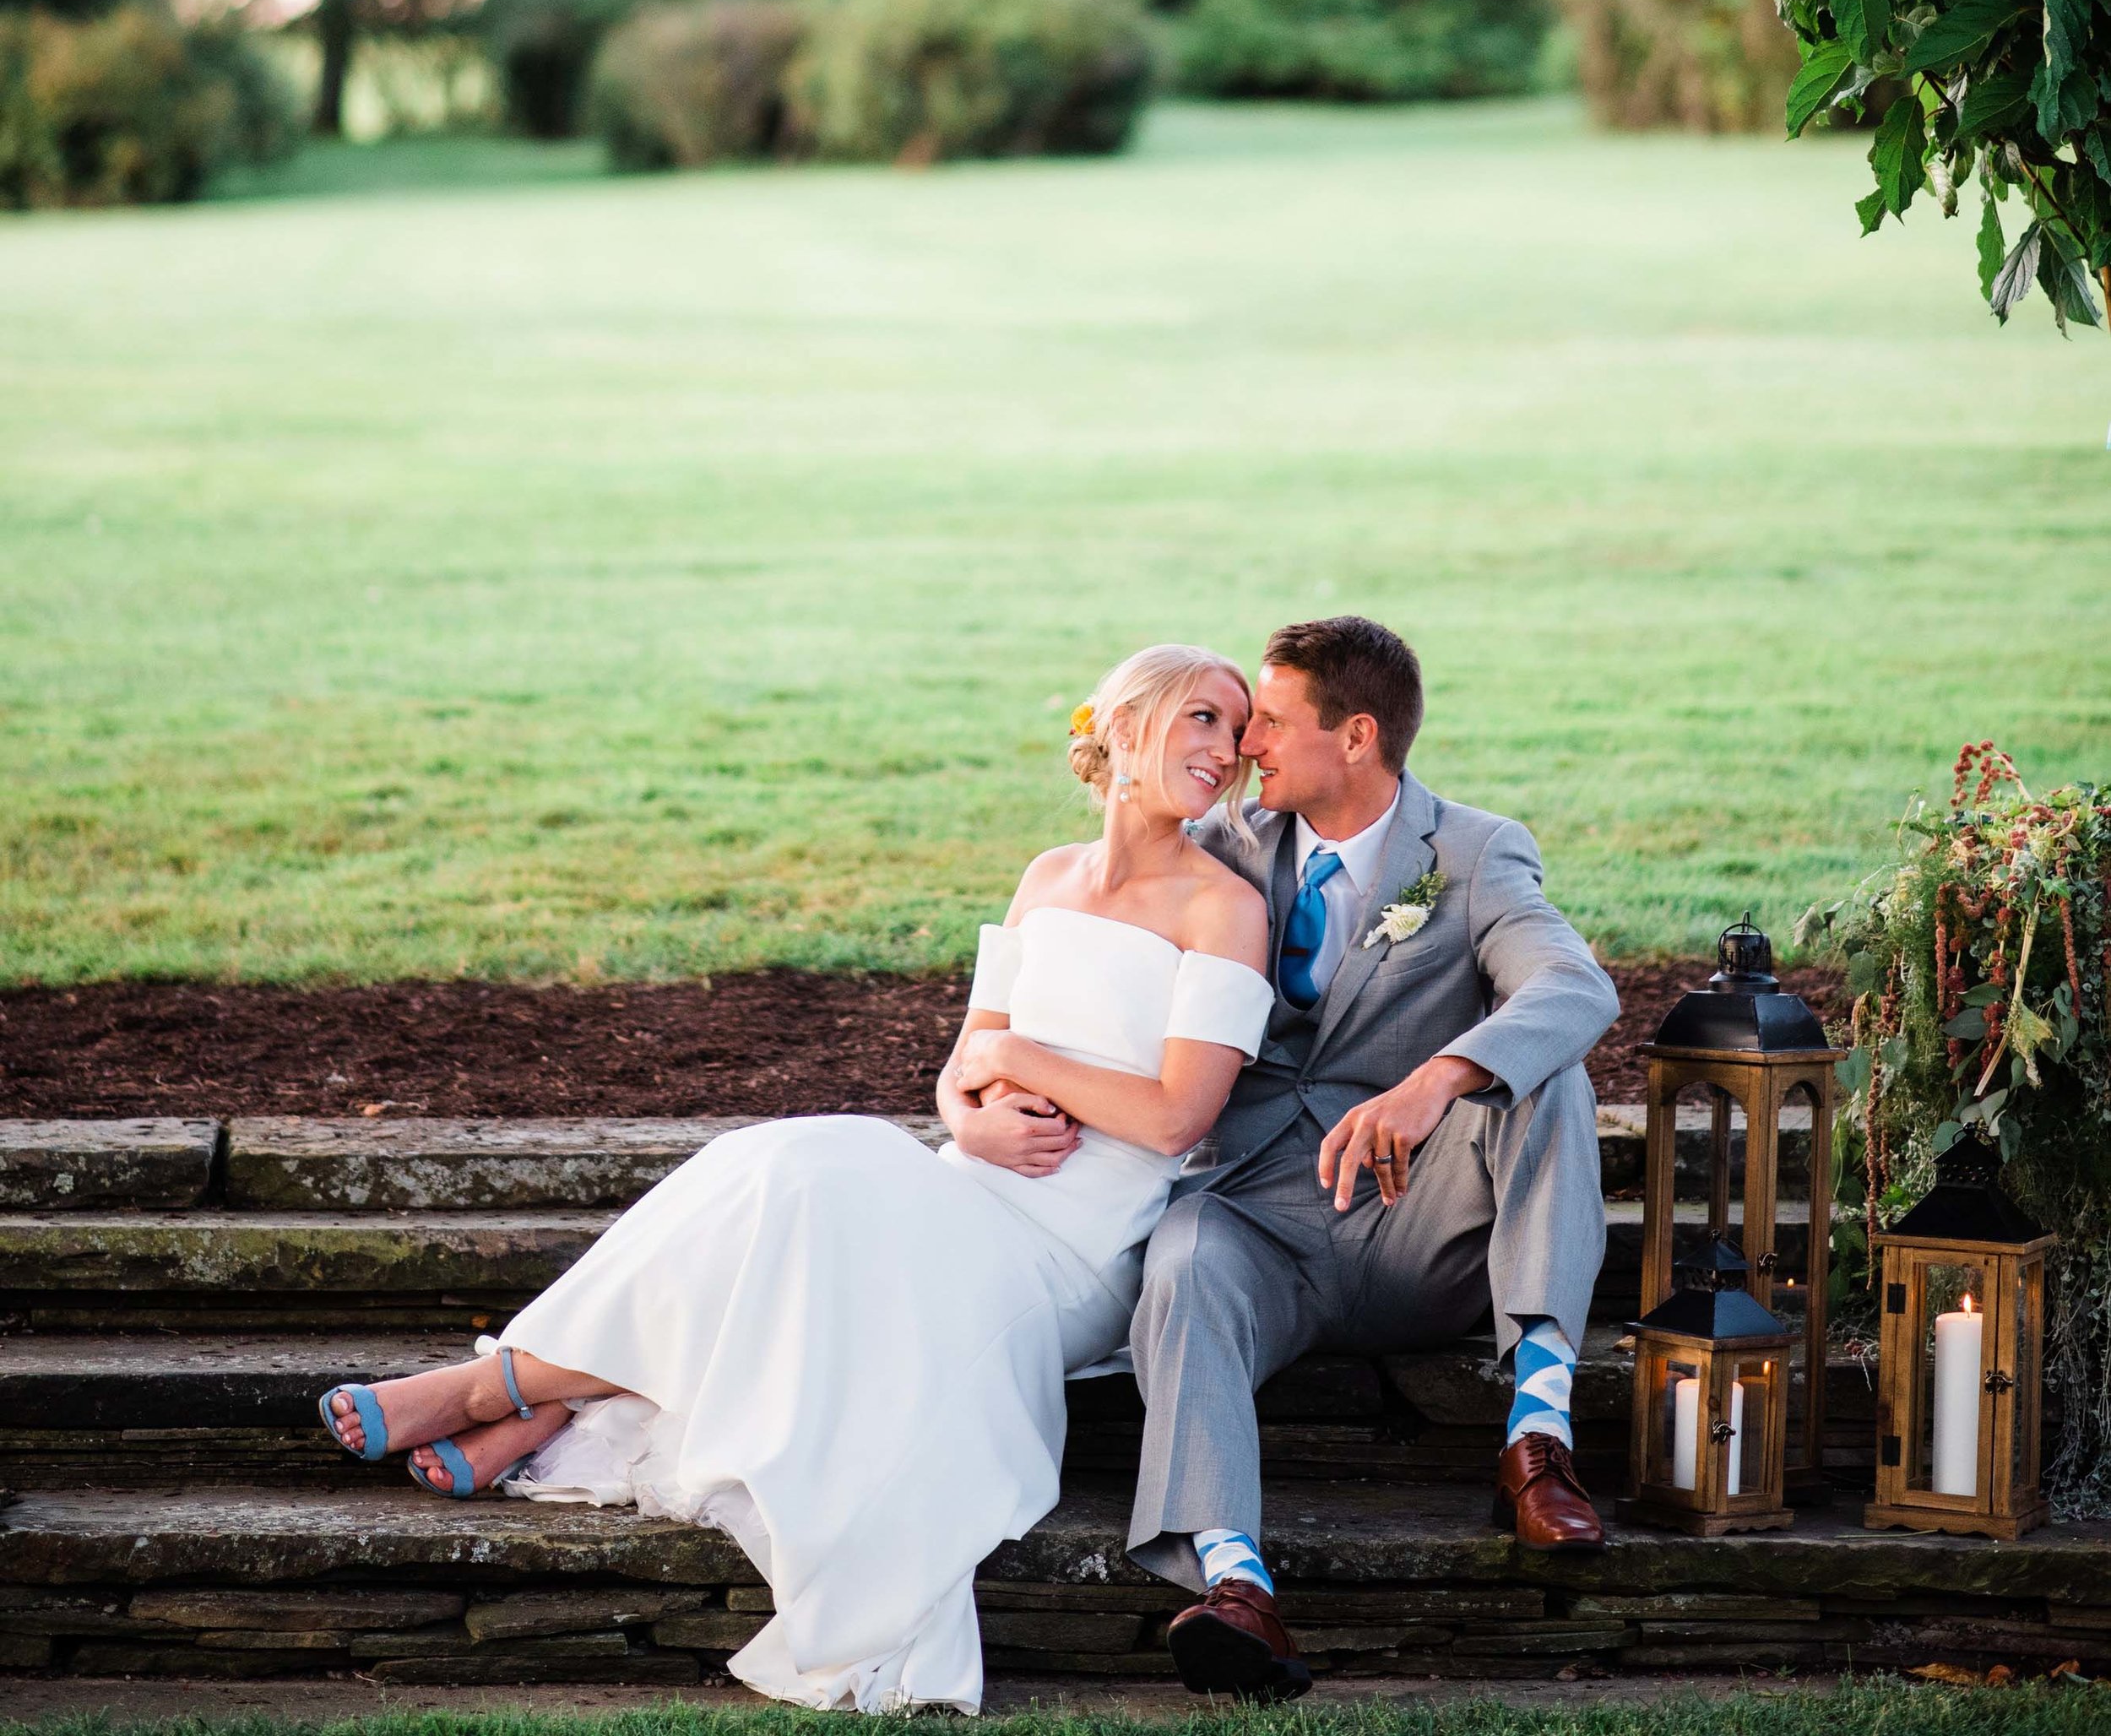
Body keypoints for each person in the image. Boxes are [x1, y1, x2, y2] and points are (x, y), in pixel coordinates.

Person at [317, 643, 1273, 1717]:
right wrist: (972, 1112)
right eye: (1201, 717)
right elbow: (963, 1065)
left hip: (1071, 1249)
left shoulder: (1222, 907)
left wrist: (1021, 1068)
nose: (1225, 749)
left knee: (824, 1185)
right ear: (1129, 725)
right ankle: (547, 1401)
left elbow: (1177, 1114)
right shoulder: (1048, 876)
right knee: (787, 1160)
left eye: (1236, 731)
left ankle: (499, 1391)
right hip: (967, 1181)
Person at [1129, 613, 1619, 1702]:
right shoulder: (1220, 850)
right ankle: (1232, 1581)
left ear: (1355, 736)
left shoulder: (1473, 853)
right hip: (1262, 1216)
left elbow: (1576, 989)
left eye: (1269, 722)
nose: (1246, 742)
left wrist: (1437, 1076)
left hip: (1419, 1226)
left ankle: (1535, 1435)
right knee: (1182, 1254)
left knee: (1550, 1076)